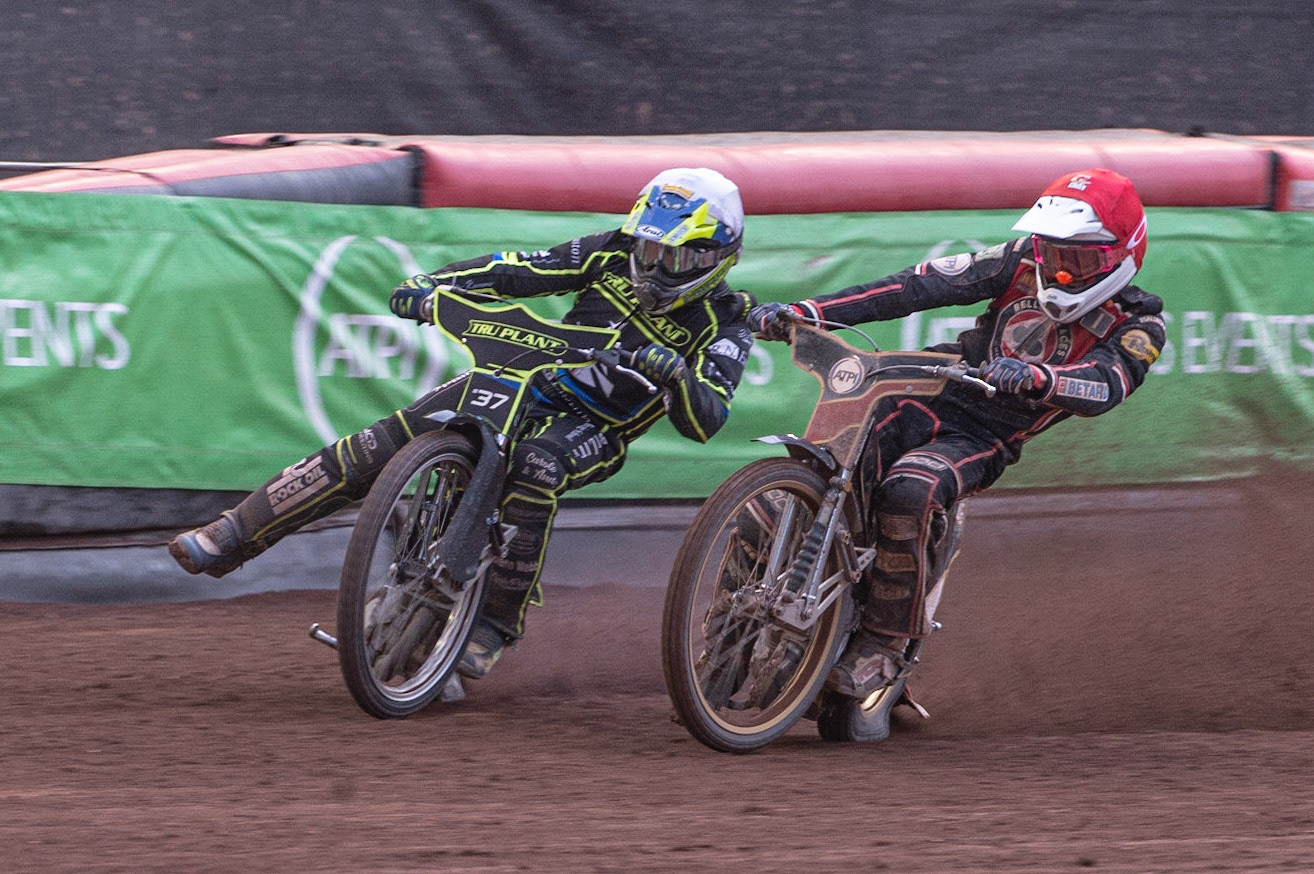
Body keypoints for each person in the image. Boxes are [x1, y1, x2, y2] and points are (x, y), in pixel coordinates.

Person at [170, 166, 756, 680]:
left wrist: (678, 375)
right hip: (531, 375)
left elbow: (706, 420)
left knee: (536, 466)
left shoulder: (728, 321)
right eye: (647, 252)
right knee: (388, 438)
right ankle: (233, 534)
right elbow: (519, 270)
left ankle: (495, 626)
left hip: (597, 425)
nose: (652, 269)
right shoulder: (608, 251)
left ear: (715, 258)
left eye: (674, 258)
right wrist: (436, 285)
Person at [749, 167, 1165, 710]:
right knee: (802, 478)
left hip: (988, 429)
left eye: (1079, 259)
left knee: (910, 488)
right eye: (1052, 253)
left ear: (1121, 255)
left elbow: (1108, 385)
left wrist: (1041, 379)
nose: (1060, 271)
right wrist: (810, 312)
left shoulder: (1138, 324)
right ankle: (733, 611)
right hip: (931, 385)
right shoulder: (1017, 261)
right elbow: (916, 285)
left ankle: (884, 641)